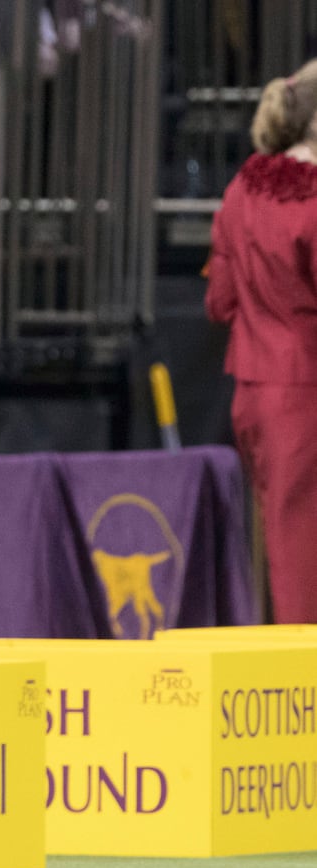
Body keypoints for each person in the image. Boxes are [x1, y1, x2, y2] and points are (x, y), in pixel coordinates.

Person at [205, 60, 317, 625]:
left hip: (253, 389)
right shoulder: (313, 201)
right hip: (305, 389)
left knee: (278, 537)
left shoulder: (242, 189)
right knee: (300, 549)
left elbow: (218, 302)